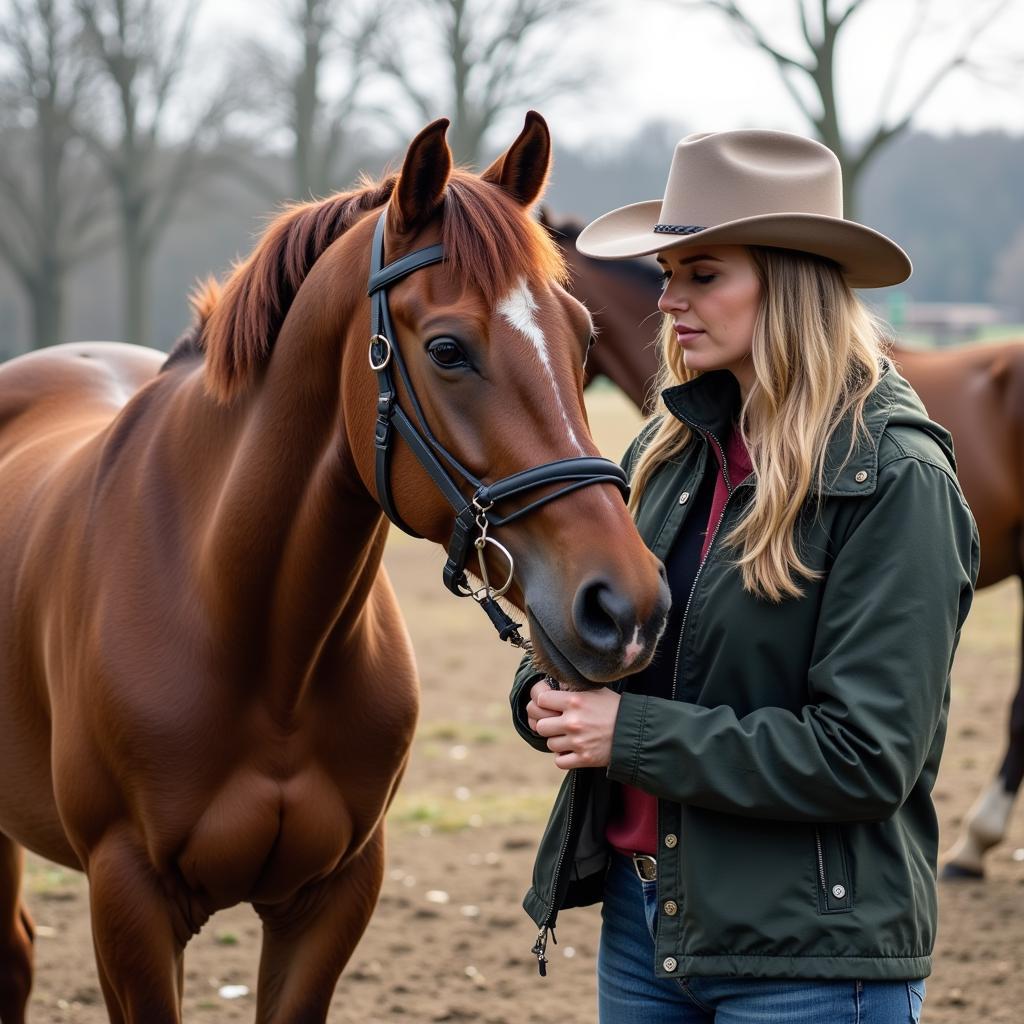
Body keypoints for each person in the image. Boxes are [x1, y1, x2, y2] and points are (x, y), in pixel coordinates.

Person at [509, 129, 980, 1024]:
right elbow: (635, 650)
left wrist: (629, 733)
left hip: (812, 960)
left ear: (793, 279)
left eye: (703, 274)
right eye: (668, 272)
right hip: (646, 930)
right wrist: (550, 686)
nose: (668, 299)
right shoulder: (667, 447)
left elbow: (866, 757)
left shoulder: (895, 477)